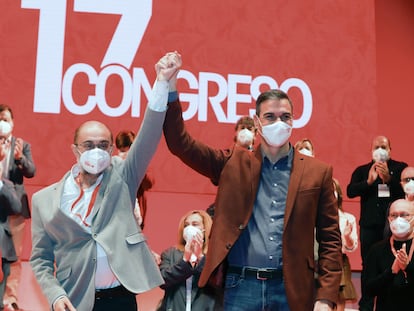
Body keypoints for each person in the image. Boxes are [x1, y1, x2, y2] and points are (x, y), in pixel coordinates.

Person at [163, 80, 343, 310]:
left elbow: (330, 240)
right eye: (270, 117)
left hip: (292, 289)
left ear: (293, 121)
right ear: (257, 123)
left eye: (285, 117)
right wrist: (169, 90)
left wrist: (326, 297)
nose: (279, 123)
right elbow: (181, 144)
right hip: (240, 287)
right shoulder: (232, 163)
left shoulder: (318, 172)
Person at [30, 51, 182, 311]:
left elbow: (148, 137)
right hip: (74, 300)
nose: (96, 151)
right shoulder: (43, 200)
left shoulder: (122, 176)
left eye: (103, 145)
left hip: (120, 300)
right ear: (75, 150)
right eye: (89, 145)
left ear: (112, 150)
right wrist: (55, 296)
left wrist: (162, 83)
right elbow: (40, 259)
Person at [346, 135, 407, 311]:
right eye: (376, 147)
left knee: (392, 262)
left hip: (393, 226)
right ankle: (365, 303)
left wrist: (389, 179)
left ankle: (390, 301)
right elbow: (350, 191)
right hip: (369, 226)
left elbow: (405, 191)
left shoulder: (399, 168)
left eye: (384, 147)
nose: (380, 150)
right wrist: (369, 182)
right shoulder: (362, 170)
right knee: (368, 264)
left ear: (390, 150)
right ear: (371, 150)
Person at [0, 104, 36, 311]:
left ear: (12, 123)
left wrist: (19, 158)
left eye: (6, 119)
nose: (3, 123)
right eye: (0, 119)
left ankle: (10, 300)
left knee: (13, 255)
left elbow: (31, 171)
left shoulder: (21, 145)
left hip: (14, 207)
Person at [157, 210, 222, 311]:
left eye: (195, 224)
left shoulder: (215, 255)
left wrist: (200, 257)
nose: (189, 228)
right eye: (186, 225)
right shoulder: (170, 253)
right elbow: (162, 280)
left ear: (205, 229)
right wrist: (185, 261)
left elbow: (217, 282)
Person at [365, 199, 414, 310]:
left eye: (404, 215)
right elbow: (369, 290)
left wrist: (408, 267)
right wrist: (391, 272)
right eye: (394, 215)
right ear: (388, 219)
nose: (398, 219)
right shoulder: (376, 249)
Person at [114, 129, 154, 230]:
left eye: (129, 150)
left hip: (135, 219)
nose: (126, 154)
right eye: (122, 151)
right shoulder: (113, 165)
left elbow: (149, 184)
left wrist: (138, 166)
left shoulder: (141, 164)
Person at [332, 178, 358, 311]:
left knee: (339, 297)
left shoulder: (348, 218)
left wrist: (347, 236)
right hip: (316, 260)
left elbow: (352, 247)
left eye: (333, 190)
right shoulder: (312, 216)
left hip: (339, 260)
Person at [0, 162, 22, 311]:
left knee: (5, 271)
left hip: (2, 237)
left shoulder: (7, 185)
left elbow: (16, 208)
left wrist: (1, 185)